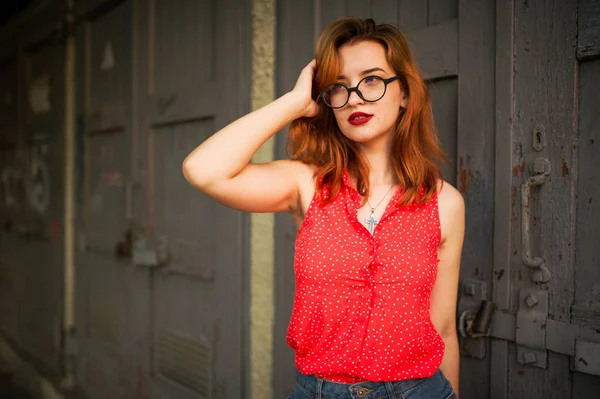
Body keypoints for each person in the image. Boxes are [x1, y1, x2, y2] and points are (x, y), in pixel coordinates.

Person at [183, 17, 464, 399]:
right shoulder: (309, 186)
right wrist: (295, 102)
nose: (355, 97)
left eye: (371, 80)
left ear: (404, 93)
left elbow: (444, 329)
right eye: (338, 87)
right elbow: (203, 170)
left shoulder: (445, 203)